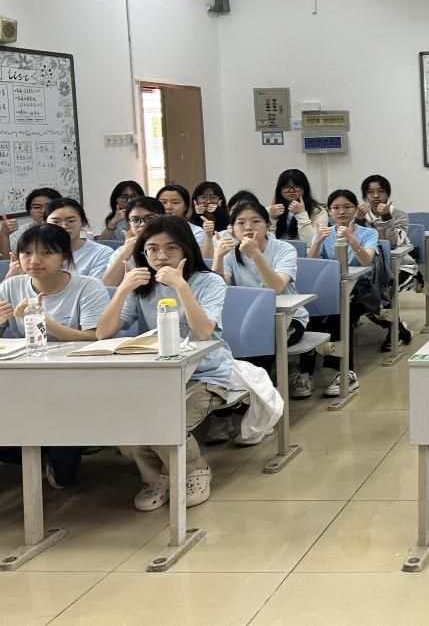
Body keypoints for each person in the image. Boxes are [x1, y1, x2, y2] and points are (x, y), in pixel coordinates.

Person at [95, 215, 234, 512]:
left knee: (164, 422)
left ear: (186, 249)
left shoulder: (209, 281)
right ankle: (159, 476)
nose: (161, 256)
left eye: (171, 248)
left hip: (206, 374)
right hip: (158, 374)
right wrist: (122, 289)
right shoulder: (143, 284)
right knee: (124, 425)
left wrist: (181, 287)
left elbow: (203, 332)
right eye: (152, 249)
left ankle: (195, 468)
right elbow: (103, 332)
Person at [0, 223, 110, 488]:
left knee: (64, 478)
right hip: (24, 375)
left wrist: (42, 321)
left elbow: (95, 337)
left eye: (46, 253)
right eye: (27, 253)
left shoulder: (88, 287)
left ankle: (57, 452)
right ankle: (36, 452)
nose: (34, 260)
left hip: (75, 376)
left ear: (65, 256)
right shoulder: (11, 286)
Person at [212, 198, 311, 404]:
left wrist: (256, 255)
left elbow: (276, 287)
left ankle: (259, 400)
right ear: (232, 228)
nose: (248, 227)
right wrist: (218, 258)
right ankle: (233, 396)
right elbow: (218, 289)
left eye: (256, 221)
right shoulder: (230, 252)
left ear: (267, 224)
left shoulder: (284, 249)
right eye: (240, 223)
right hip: (244, 319)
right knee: (216, 343)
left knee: (259, 341)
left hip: (286, 319)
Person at [307, 189, 380, 397]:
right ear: (329, 211)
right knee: (310, 316)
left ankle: (344, 372)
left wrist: (351, 238)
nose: (342, 212)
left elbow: (366, 261)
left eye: (347, 207)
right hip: (329, 288)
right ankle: (304, 373)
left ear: (356, 210)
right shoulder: (324, 232)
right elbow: (311, 264)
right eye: (336, 207)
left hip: (360, 289)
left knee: (340, 316)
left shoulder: (368, 233)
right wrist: (317, 242)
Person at [358, 174, 418, 350]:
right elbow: (356, 242)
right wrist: (359, 220)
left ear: (388, 194)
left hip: (401, 266)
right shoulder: (361, 216)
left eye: (381, 191)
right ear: (365, 195)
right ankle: (399, 330)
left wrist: (386, 217)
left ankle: (395, 332)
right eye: (370, 192)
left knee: (381, 294)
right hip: (372, 270)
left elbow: (391, 243)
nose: (376, 196)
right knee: (366, 298)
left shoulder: (399, 215)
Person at [101, 196, 165, 287]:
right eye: (135, 220)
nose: (142, 224)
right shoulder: (123, 251)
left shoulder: (175, 247)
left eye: (150, 218)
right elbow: (107, 286)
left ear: (164, 218)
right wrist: (126, 251)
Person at [44, 198, 114, 279]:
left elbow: (96, 285)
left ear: (83, 223)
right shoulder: (35, 253)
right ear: (44, 225)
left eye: (71, 221)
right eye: (56, 222)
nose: (63, 226)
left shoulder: (101, 253)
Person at [271, 169, 329, 245]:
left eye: (296, 186)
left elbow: (312, 242)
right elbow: (264, 241)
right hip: (277, 251)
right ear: (279, 190)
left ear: (305, 188)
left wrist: (301, 214)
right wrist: (271, 218)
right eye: (286, 186)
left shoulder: (318, 211)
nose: (291, 190)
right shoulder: (271, 210)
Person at [2, 187, 62, 257]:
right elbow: (9, 260)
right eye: (37, 207)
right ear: (29, 212)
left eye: (48, 206)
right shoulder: (24, 230)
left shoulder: (68, 227)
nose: (43, 211)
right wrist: (4, 235)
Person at [192, 181, 231, 257]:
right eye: (203, 197)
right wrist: (196, 215)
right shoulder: (193, 219)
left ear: (220, 200)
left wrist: (220, 213)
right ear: (196, 200)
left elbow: (226, 232)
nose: (208, 201)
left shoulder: (226, 217)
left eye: (213, 197)